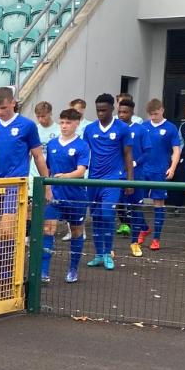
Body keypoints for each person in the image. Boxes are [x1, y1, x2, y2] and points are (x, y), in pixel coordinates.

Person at [0, 87, 49, 289]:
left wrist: (47, 185)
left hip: (15, 185)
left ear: (13, 103)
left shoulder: (27, 126)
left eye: (3, 108)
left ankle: (6, 276)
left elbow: (38, 156)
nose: (0, 112)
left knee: (6, 231)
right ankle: (16, 253)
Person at [83, 93, 134, 269]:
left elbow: (128, 154)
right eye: (98, 110)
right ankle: (98, 254)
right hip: (93, 179)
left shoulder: (122, 128)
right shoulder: (89, 129)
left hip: (113, 179)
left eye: (104, 110)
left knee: (107, 214)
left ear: (112, 109)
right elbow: (84, 153)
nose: (100, 113)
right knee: (96, 217)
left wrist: (130, 180)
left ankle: (108, 253)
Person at [40, 109, 90, 284]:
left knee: (76, 231)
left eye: (68, 123)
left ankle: (73, 269)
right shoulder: (52, 144)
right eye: (62, 122)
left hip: (76, 196)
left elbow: (81, 170)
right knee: (48, 229)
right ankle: (43, 271)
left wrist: (65, 176)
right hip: (55, 195)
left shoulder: (82, 145)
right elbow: (47, 169)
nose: (64, 126)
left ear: (77, 123)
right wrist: (47, 187)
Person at [139, 98, 180, 251]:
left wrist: (172, 168)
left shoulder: (171, 128)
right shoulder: (143, 126)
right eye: (151, 114)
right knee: (135, 201)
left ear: (162, 110)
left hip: (160, 170)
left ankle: (156, 238)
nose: (153, 117)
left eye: (156, 114)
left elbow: (176, 150)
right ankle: (144, 228)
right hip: (143, 170)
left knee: (158, 204)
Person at [117, 98, 151, 256]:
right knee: (114, 208)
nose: (121, 115)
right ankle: (108, 249)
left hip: (136, 175)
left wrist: (135, 163)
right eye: (119, 112)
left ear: (131, 113)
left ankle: (135, 243)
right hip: (117, 176)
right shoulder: (114, 129)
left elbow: (147, 152)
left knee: (136, 209)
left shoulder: (140, 130)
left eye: (125, 112)